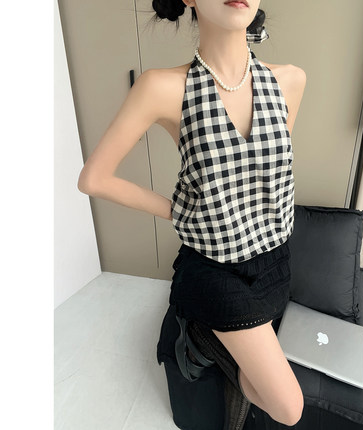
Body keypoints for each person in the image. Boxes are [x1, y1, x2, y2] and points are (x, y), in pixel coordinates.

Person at [78, 0, 306, 428]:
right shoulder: (162, 87)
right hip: (214, 268)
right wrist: (177, 212)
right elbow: (94, 178)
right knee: (289, 408)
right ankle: (199, 333)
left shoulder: (290, 80)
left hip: (275, 261)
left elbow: (262, 179)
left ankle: (213, 348)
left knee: (256, 387)